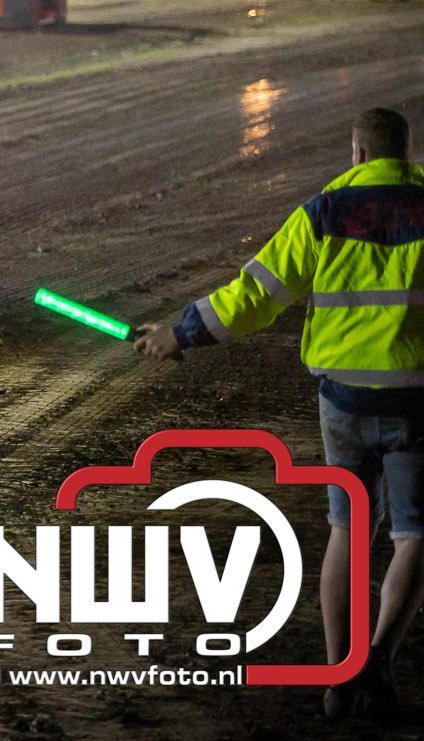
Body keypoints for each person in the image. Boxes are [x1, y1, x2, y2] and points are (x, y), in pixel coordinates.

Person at [137, 108, 424, 722]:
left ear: (356, 153)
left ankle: (337, 679)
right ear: (405, 151)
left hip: (343, 401)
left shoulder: (323, 211)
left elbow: (255, 295)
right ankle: (378, 664)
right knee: (415, 536)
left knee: (348, 530)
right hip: (419, 399)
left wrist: (180, 334)